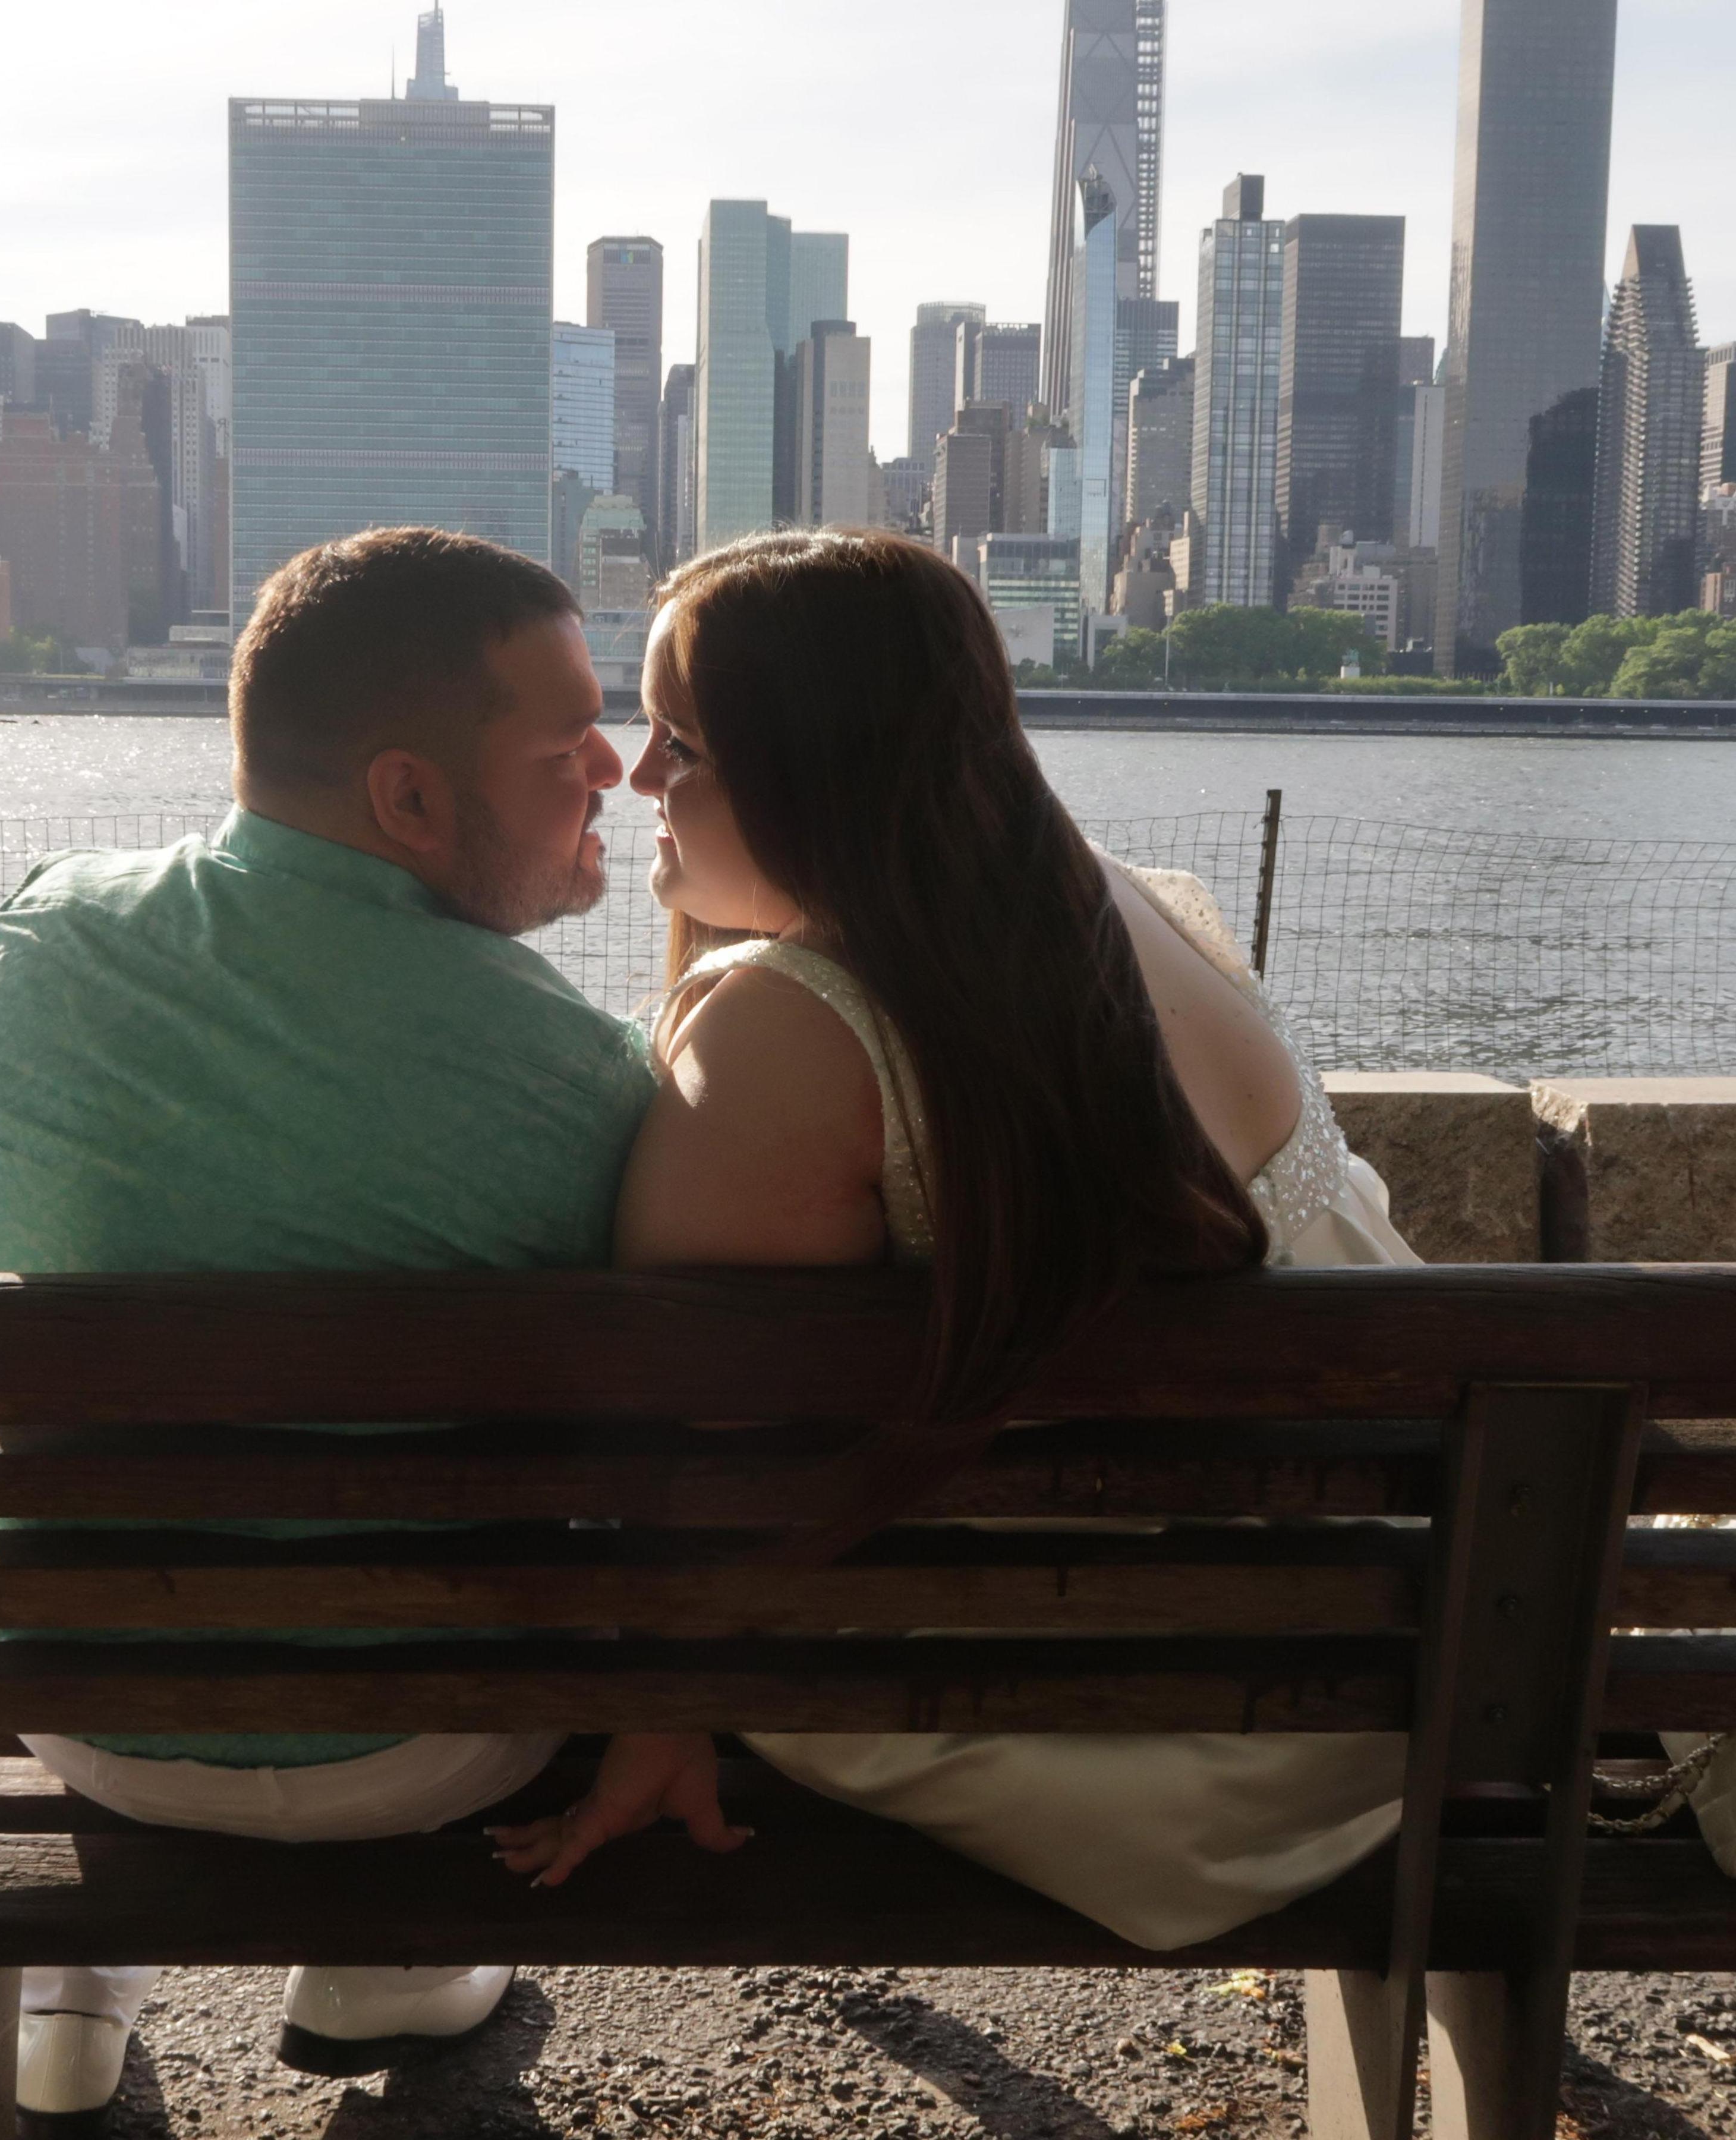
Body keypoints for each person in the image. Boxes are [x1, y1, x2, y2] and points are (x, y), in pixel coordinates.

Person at [490, 528, 1419, 1952]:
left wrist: (661, 1708)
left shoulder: (791, 1029)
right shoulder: (1124, 906)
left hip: (1143, 1744)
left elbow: (697, 1453)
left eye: (686, 741)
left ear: (823, 772)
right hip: (1409, 1664)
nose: (639, 777)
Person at [0, 529, 655, 2132]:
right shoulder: (589, 1082)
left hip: (84, 1717)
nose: (621, 770)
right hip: (419, 1757)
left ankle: (78, 1976)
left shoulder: (44, 940)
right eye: (569, 743)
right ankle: (386, 1961)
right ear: (408, 799)